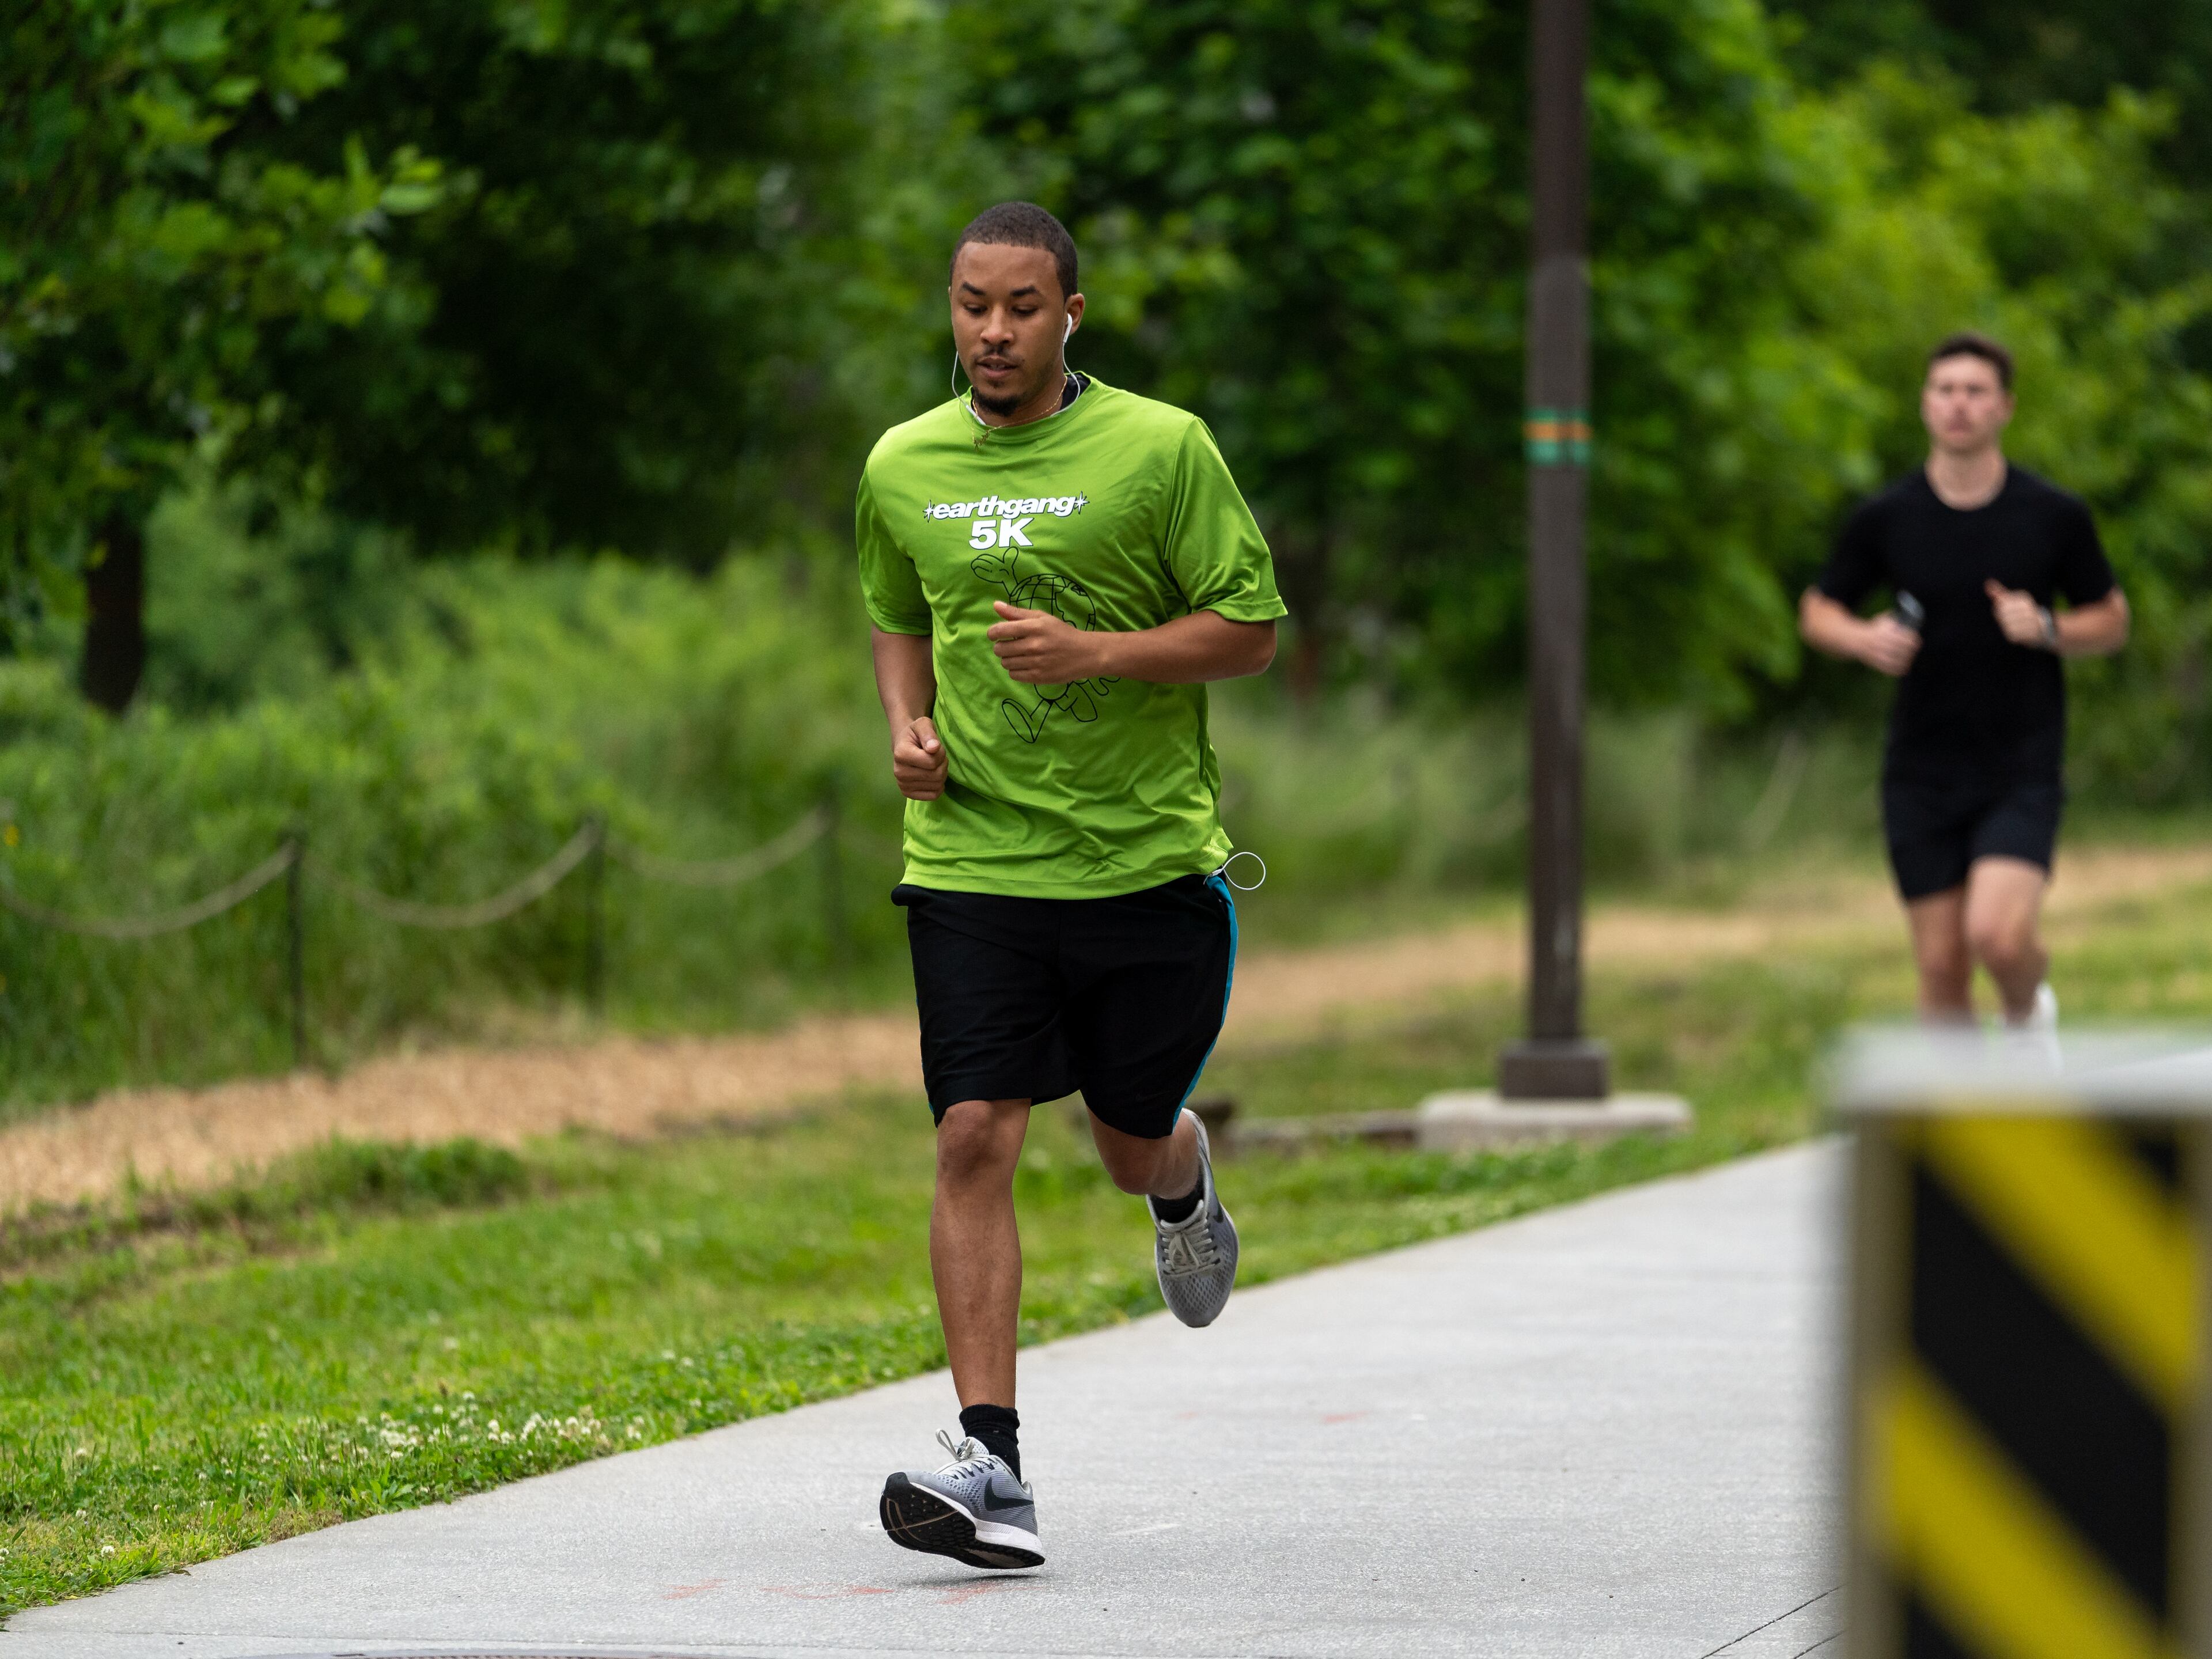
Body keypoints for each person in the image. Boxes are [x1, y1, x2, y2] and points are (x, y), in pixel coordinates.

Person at [854, 202, 1285, 1570]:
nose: (991, 330)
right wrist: (906, 724)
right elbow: (893, 607)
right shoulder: (900, 461)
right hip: (974, 862)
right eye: (970, 303)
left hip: (1142, 865)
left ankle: (1179, 1175)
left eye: (1021, 306)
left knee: (1118, 1134)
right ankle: (993, 1463)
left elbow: (1251, 631)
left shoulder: (1162, 448)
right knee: (972, 1131)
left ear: (1070, 313)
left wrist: (1096, 654)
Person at [1801, 331, 2128, 1036]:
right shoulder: (1887, 518)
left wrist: (2048, 628)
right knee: (1942, 966)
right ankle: (1960, 1131)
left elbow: (2112, 619)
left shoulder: (2053, 515)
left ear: (2004, 407)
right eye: (1945, 390)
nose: (1959, 406)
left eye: (1976, 392)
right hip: (1920, 768)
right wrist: (1863, 638)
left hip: (2020, 764)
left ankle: (2025, 1012)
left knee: (1999, 937)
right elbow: (1817, 609)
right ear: (1924, 405)